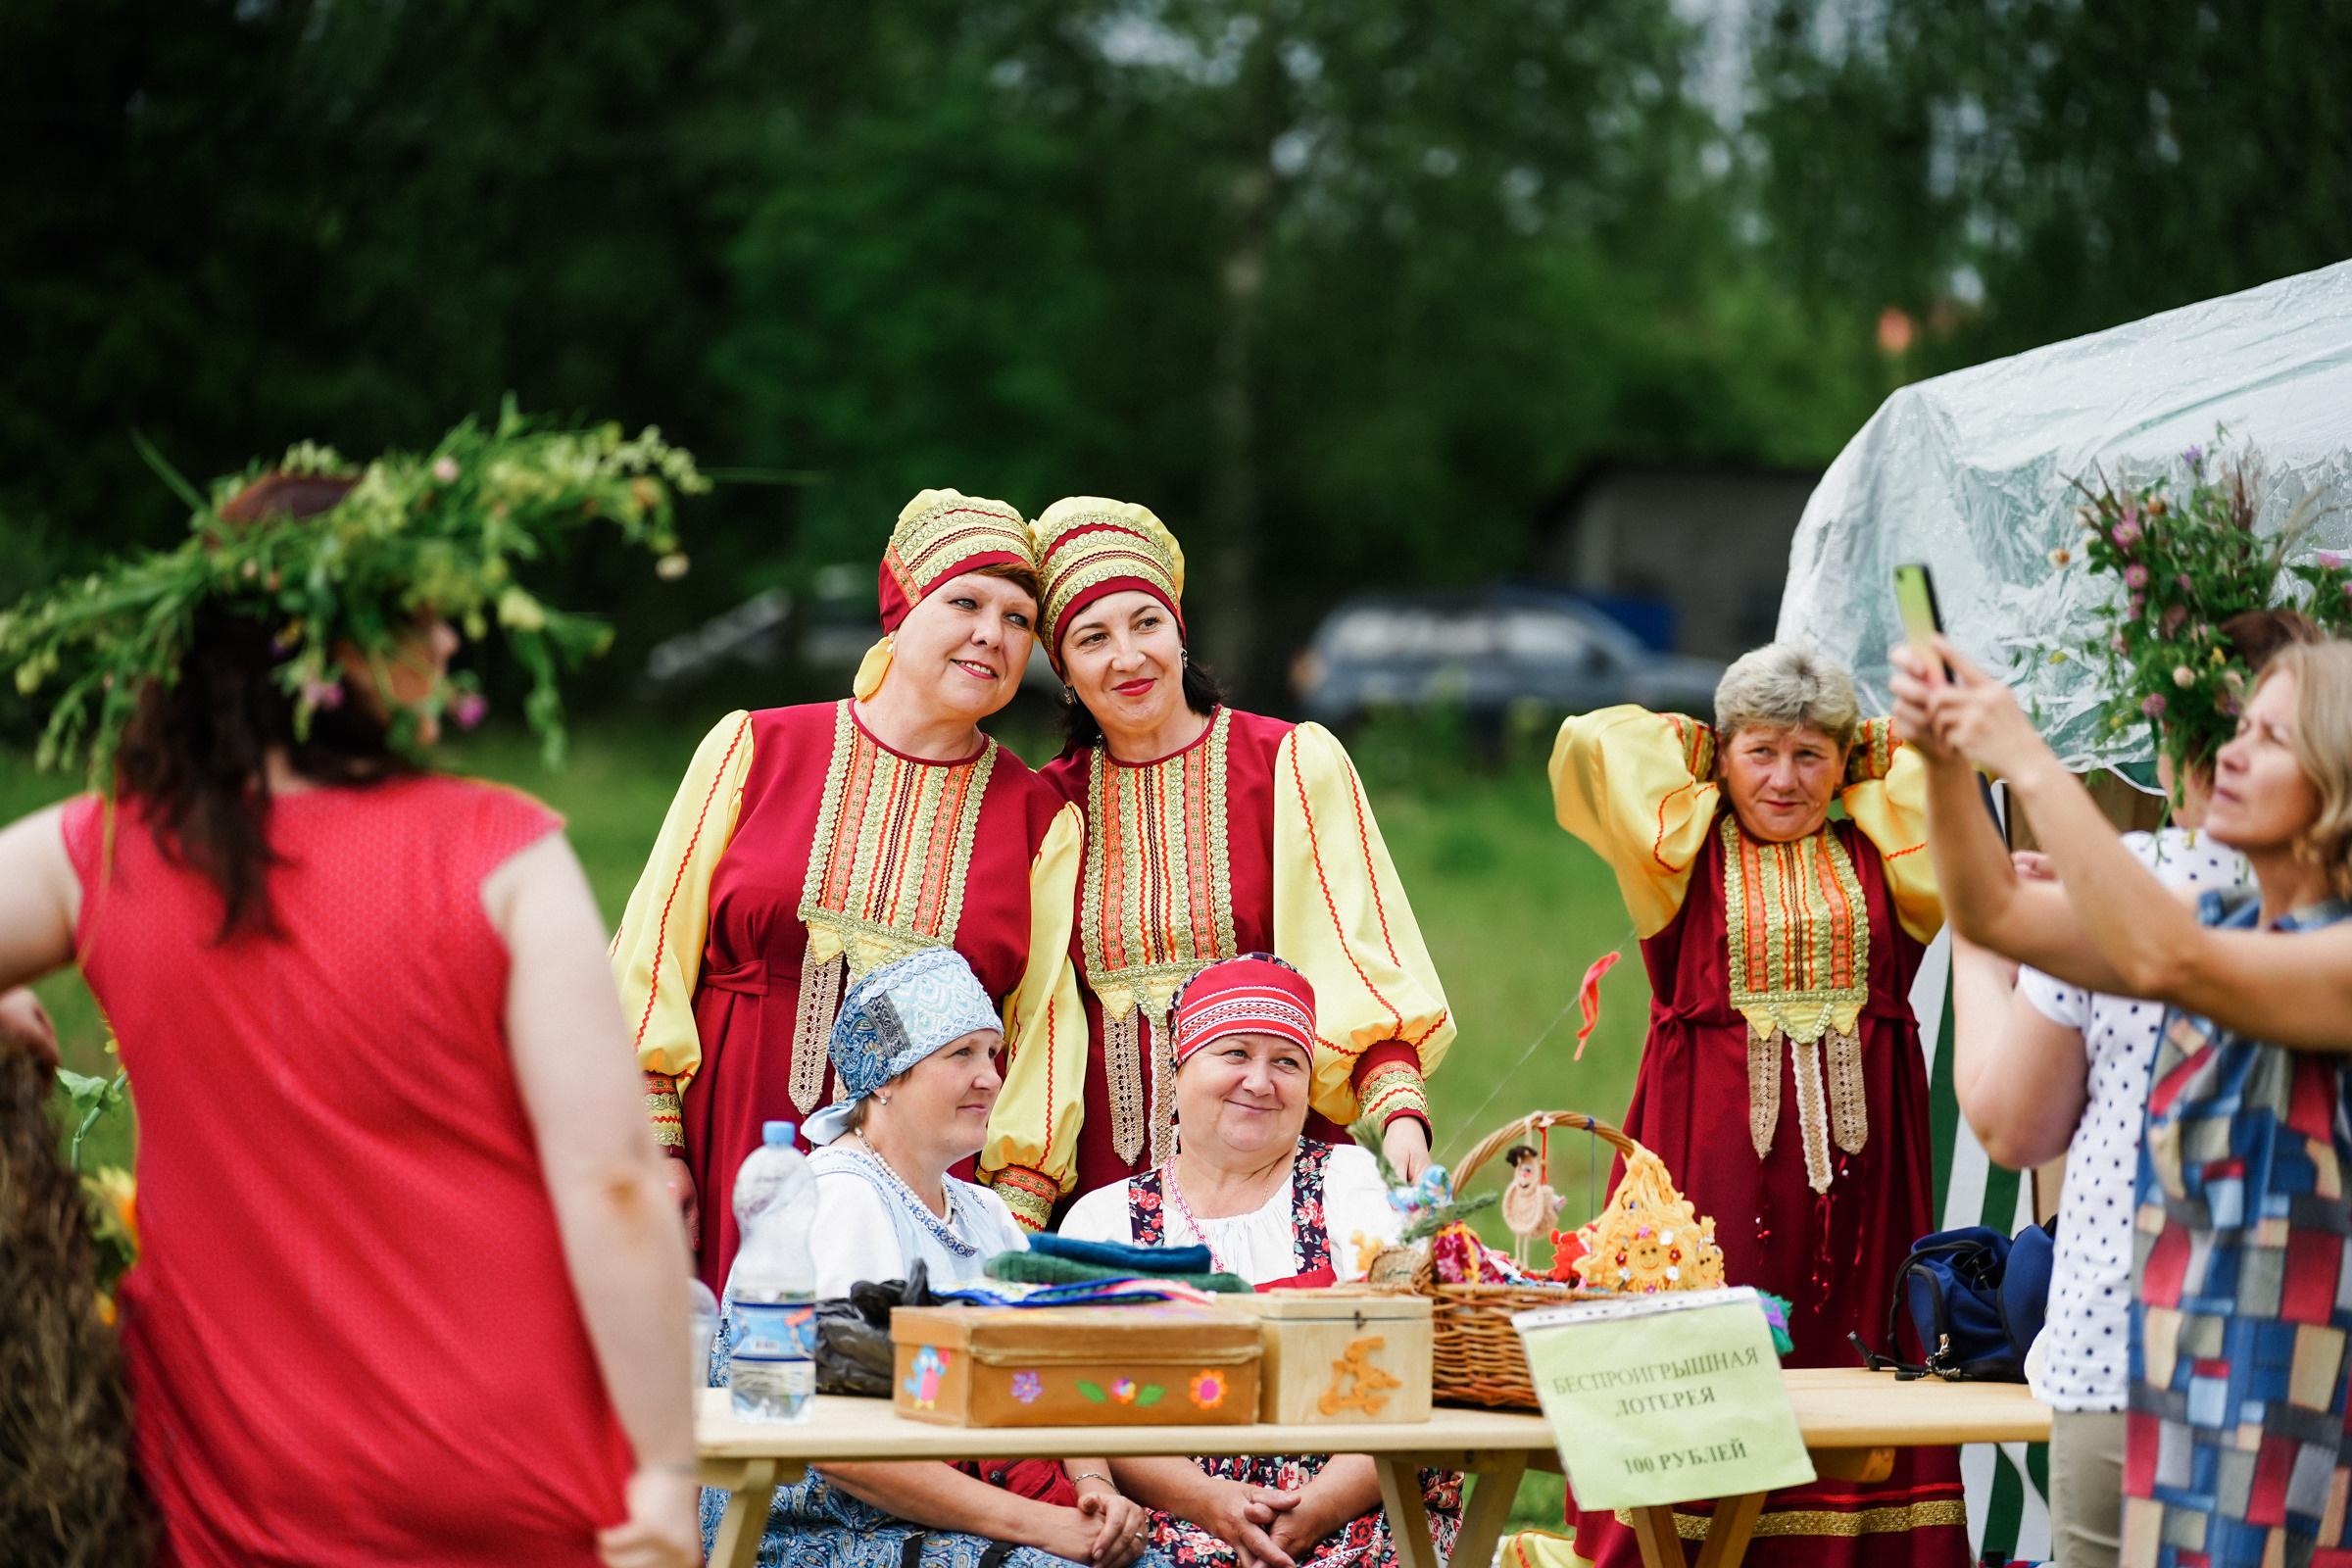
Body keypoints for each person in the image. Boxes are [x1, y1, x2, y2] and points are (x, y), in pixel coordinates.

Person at [0, 442, 703, 1568]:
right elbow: (614, 1179)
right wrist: (669, 1466)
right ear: (321, 642)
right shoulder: (502, 852)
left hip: (236, 1480)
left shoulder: (108, 850)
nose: (447, 640)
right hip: (503, 1460)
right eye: (414, 617)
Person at [1892, 634, 2352, 1568]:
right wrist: (1947, 761)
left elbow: (2163, 961)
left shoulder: (2334, 955)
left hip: (2296, 1410)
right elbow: (1993, 916)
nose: (2226, 749)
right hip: (2175, 1390)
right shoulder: (2217, 916)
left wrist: (2025, 753)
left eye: (2269, 738)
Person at [1547, 643, 1967, 1566]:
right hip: (1704, 1170)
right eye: (1759, 753)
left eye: (1811, 756)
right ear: (1722, 755)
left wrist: (1867, 758)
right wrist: (1701, 751)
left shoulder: (1887, 853)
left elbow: (1951, 772)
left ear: (1846, 761)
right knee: (1698, 1338)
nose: (1785, 779)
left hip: (1867, 1181)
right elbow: (1591, 740)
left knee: (1862, 1341)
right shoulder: (1678, 856)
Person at [612, 489, 1086, 1295]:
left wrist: (1006, 1217)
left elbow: (1043, 1029)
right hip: (730, 1141)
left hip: (930, 1189)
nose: (991, 635)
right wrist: (658, 1147)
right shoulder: (755, 747)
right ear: (900, 609)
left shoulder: (1039, 817)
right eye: (965, 602)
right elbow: (650, 954)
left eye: (1017, 620)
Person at [981, 497, 1450, 1235]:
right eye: (1093, 637)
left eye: (1146, 623)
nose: (1128, 657)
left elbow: (1354, 964)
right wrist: (1022, 1214)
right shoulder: (1048, 807)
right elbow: (1040, 1017)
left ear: (1180, 632)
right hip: (1108, 1184)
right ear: (1064, 669)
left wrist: (1402, 1134)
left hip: (1279, 1167)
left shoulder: (1290, 765)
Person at [722, 948, 1159, 1568]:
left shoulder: (986, 1211)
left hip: (967, 1504)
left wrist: (1094, 1490)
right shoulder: (843, 1196)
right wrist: (1044, 1526)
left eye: (993, 1053)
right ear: (883, 1078)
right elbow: (843, 1449)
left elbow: (1048, 1379)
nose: (991, 1077)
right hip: (827, 1523)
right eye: (961, 1054)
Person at [1060, 956, 1455, 1568]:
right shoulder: (1104, 1221)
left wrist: (1315, 1509)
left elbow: (1422, 1376)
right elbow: (1087, 1404)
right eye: (1236, 1053)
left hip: (1359, 1507)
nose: (1261, 1081)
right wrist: (1209, 1501)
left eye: (1287, 1062)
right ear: (1180, 1067)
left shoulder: (1356, 1187)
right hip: (1174, 1516)